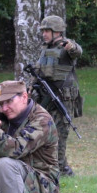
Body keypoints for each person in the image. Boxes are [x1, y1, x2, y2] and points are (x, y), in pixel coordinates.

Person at [32, 15, 82, 177]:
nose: (44, 34)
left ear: (58, 31)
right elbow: (38, 72)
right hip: (45, 97)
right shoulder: (45, 50)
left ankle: (59, 171)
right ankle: (63, 168)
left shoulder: (65, 47)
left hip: (62, 99)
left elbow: (77, 51)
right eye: (43, 31)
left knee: (60, 135)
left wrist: (71, 46)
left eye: (47, 31)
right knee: (46, 133)